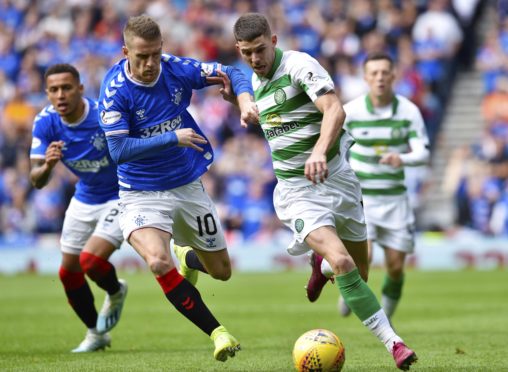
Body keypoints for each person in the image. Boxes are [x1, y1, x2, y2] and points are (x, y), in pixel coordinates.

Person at [228, 13, 418, 370]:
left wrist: (318, 151)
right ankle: (395, 344)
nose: (254, 59)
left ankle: (323, 266)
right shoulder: (252, 82)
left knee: (358, 274)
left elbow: (333, 109)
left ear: (273, 40)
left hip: (338, 179)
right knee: (344, 260)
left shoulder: (300, 65)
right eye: (245, 53)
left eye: (258, 50)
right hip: (297, 191)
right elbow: (261, 109)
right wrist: (237, 104)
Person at [97, 15, 258, 362]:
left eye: (155, 54)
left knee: (222, 273)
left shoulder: (175, 69)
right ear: (125, 52)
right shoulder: (114, 92)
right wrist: (173, 137)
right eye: (141, 56)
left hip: (186, 186)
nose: (150, 63)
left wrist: (245, 101)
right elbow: (118, 151)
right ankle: (219, 333)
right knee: (157, 261)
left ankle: (186, 255)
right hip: (141, 192)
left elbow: (233, 71)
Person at [30, 63, 128, 353]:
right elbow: (35, 180)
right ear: (47, 93)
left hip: (121, 194)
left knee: (91, 262)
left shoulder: (102, 115)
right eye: (54, 90)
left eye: (67, 87)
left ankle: (115, 290)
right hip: (85, 196)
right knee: (68, 272)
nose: (60, 95)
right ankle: (95, 334)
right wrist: (47, 164)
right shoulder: (46, 122)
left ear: (80, 89)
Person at [339, 52, 431, 320]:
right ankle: (352, 294)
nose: (379, 77)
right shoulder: (352, 111)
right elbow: (332, 144)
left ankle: (386, 319)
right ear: (366, 77)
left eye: (384, 72)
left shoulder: (408, 111)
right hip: (362, 200)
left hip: (395, 201)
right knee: (361, 262)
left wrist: (400, 158)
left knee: (395, 267)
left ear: (393, 76)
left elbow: (423, 152)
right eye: (374, 73)